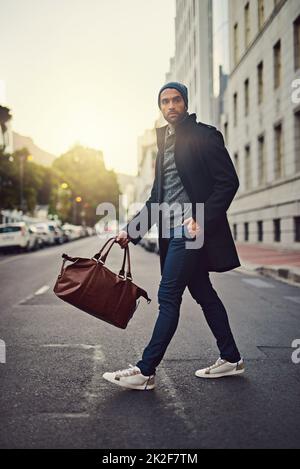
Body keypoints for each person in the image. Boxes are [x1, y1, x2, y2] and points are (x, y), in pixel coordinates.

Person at [102, 82, 244, 391]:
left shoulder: (205, 136)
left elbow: (228, 182)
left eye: (176, 100)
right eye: (165, 101)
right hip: (171, 232)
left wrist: (201, 217)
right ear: (160, 107)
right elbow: (156, 198)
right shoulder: (163, 145)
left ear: (185, 103)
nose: (171, 106)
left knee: (168, 296)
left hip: (190, 232)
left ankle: (145, 370)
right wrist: (132, 230)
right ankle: (231, 357)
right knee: (203, 293)